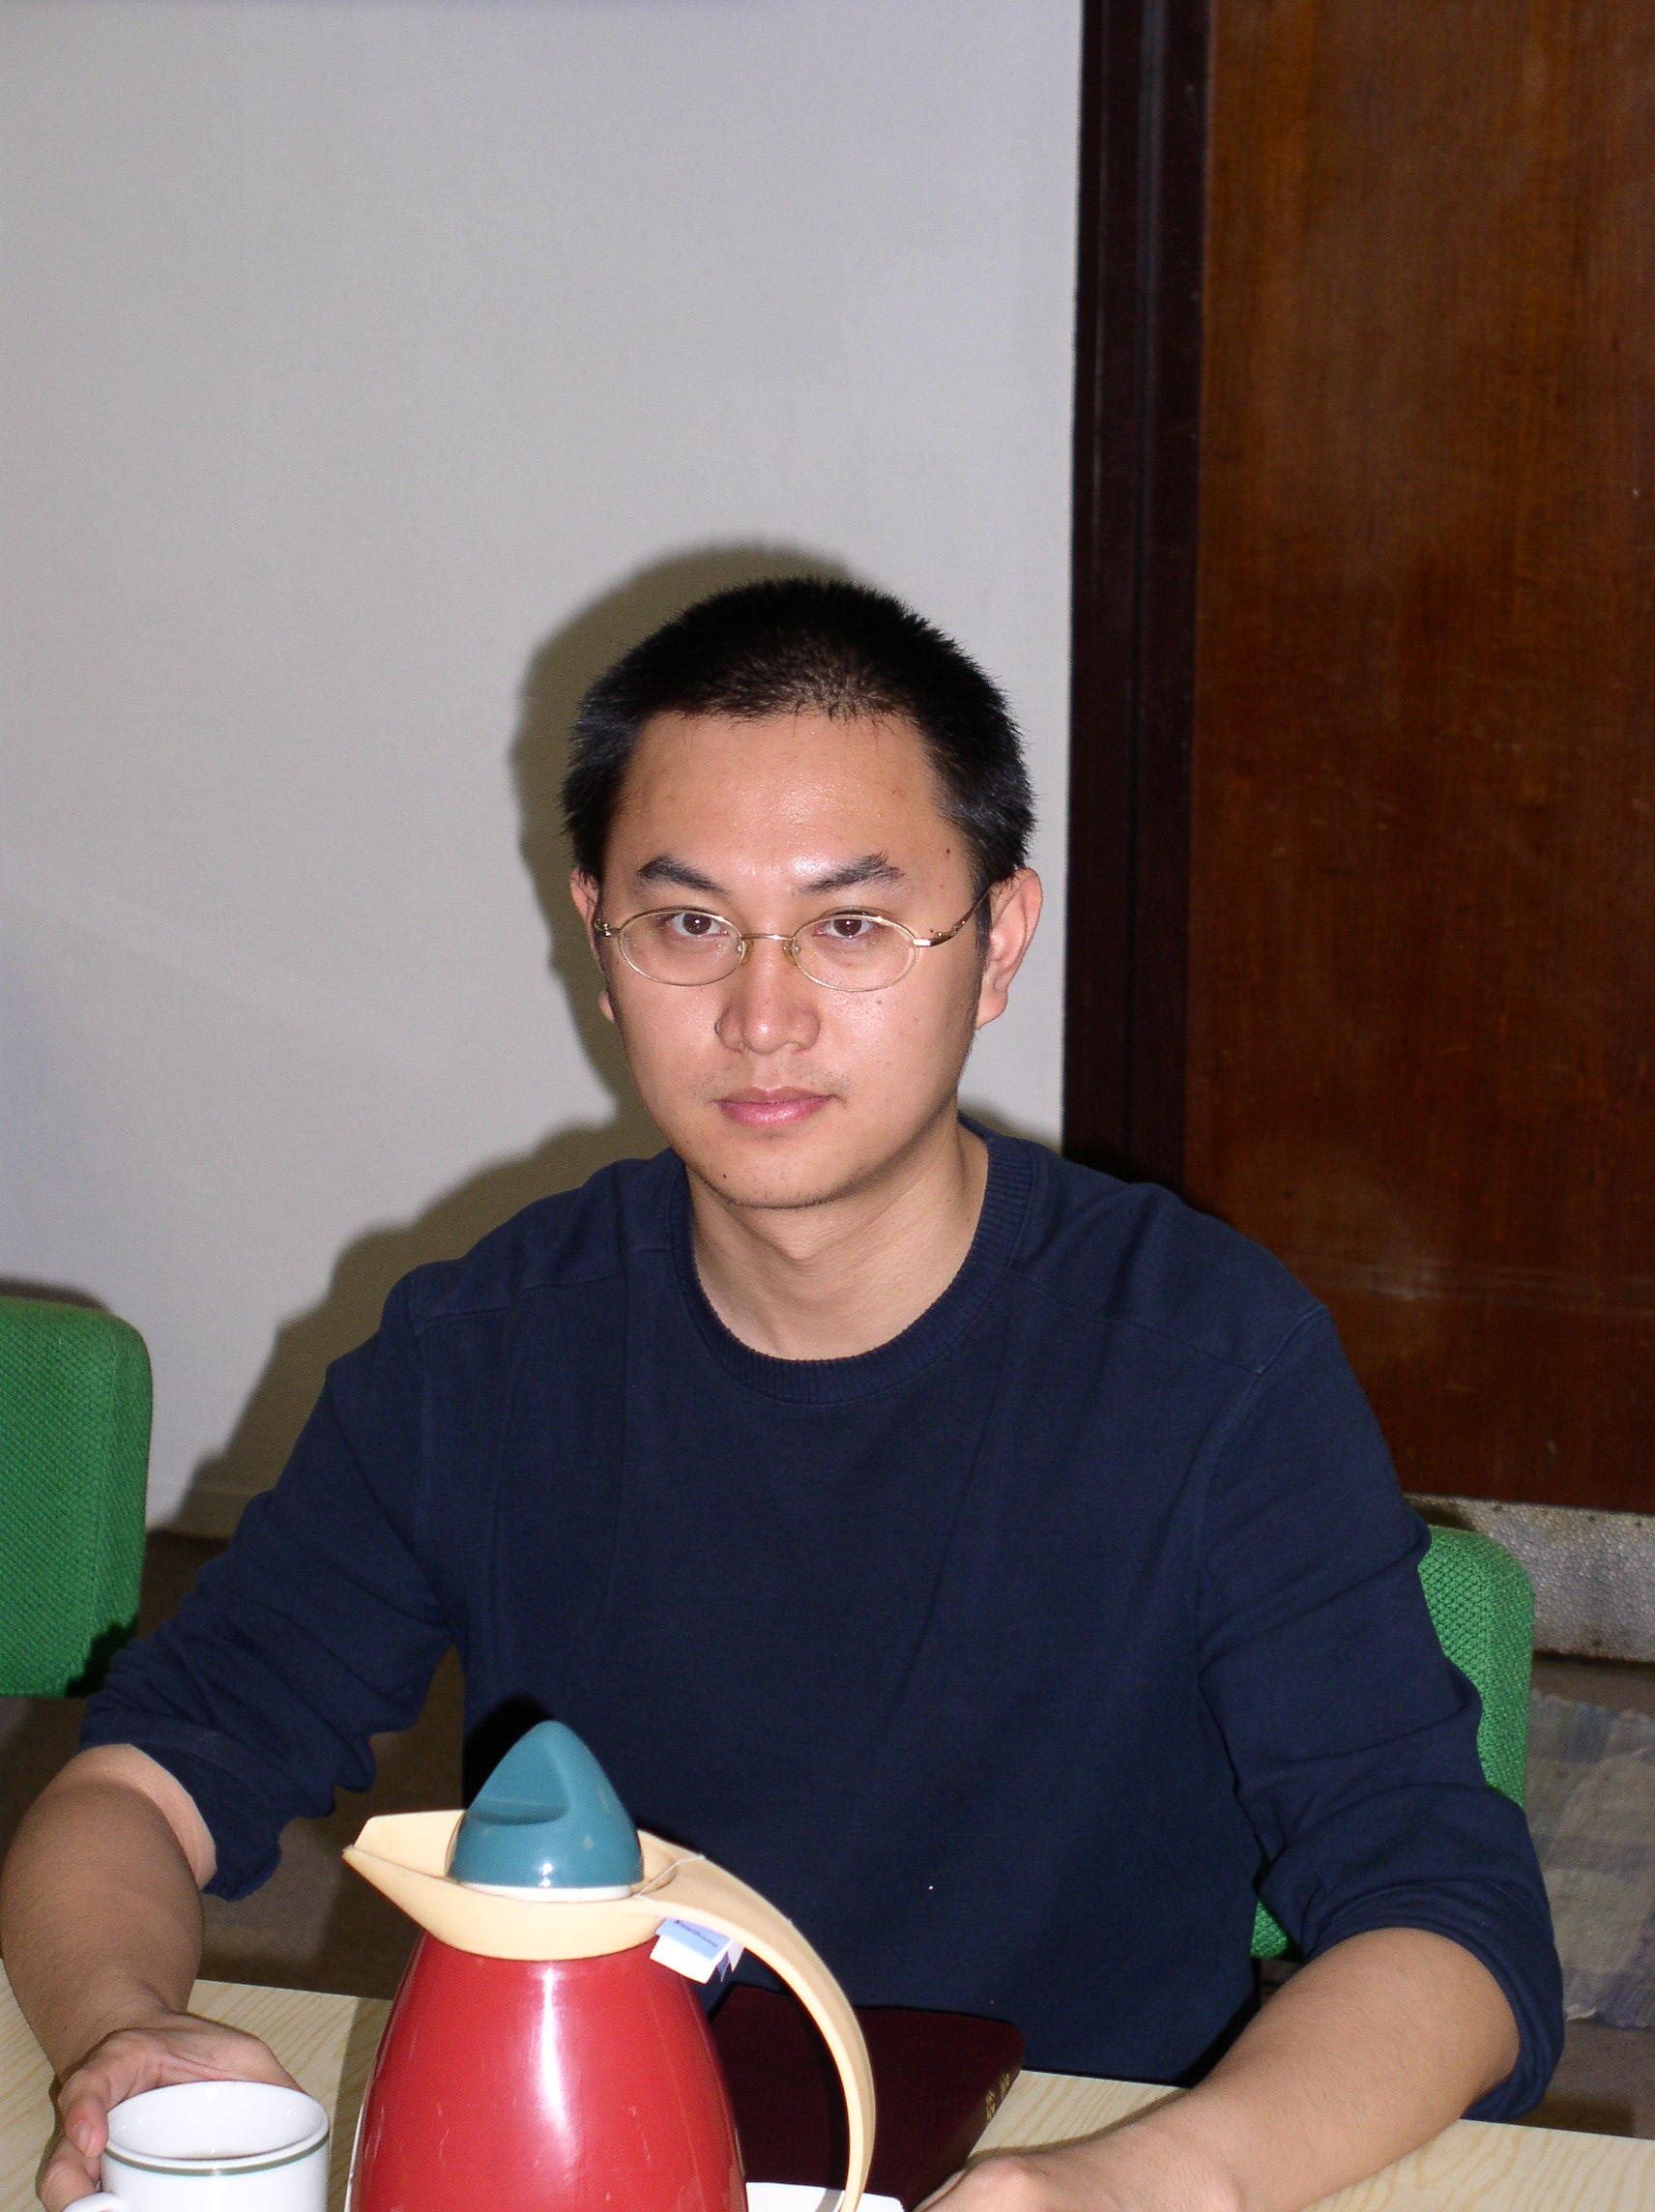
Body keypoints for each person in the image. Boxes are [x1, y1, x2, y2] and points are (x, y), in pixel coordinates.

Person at [3, 580, 1560, 2212]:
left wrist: (1140, 2183)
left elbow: (1451, 1925)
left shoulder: (1206, 1363)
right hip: (606, 2158)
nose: (763, 1015)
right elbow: (139, 1785)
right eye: (690, 926)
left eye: (852, 925)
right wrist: (121, 2028)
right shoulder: (485, 1356)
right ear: (600, 944)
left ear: (998, 941)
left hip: (1066, 2146)